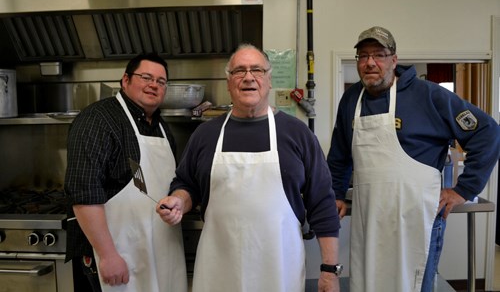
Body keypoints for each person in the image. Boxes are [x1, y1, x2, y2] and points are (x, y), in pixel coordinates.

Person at [156, 43, 342, 292]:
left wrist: (329, 271)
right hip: (218, 269)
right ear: (228, 82)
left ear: (268, 79)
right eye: (239, 71)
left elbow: (322, 204)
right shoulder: (205, 134)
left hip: (279, 270)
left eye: (257, 70)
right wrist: (179, 200)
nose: (248, 77)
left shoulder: (297, 134)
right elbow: (185, 184)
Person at [326, 26, 500, 292]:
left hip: (418, 218)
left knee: (414, 284)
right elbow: (339, 153)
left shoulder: (430, 96)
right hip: (369, 219)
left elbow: (487, 131)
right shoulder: (352, 99)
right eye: (363, 55)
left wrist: (464, 189)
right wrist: (336, 192)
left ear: (394, 60)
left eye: (379, 54)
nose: (370, 62)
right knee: (369, 283)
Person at [64, 53, 187, 292]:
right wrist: (108, 255)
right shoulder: (98, 119)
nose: (154, 85)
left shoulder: (162, 128)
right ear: (125, 80)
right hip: (114, 253)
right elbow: (83, 193)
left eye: (161, 82)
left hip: (157, 251)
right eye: (146, 77)